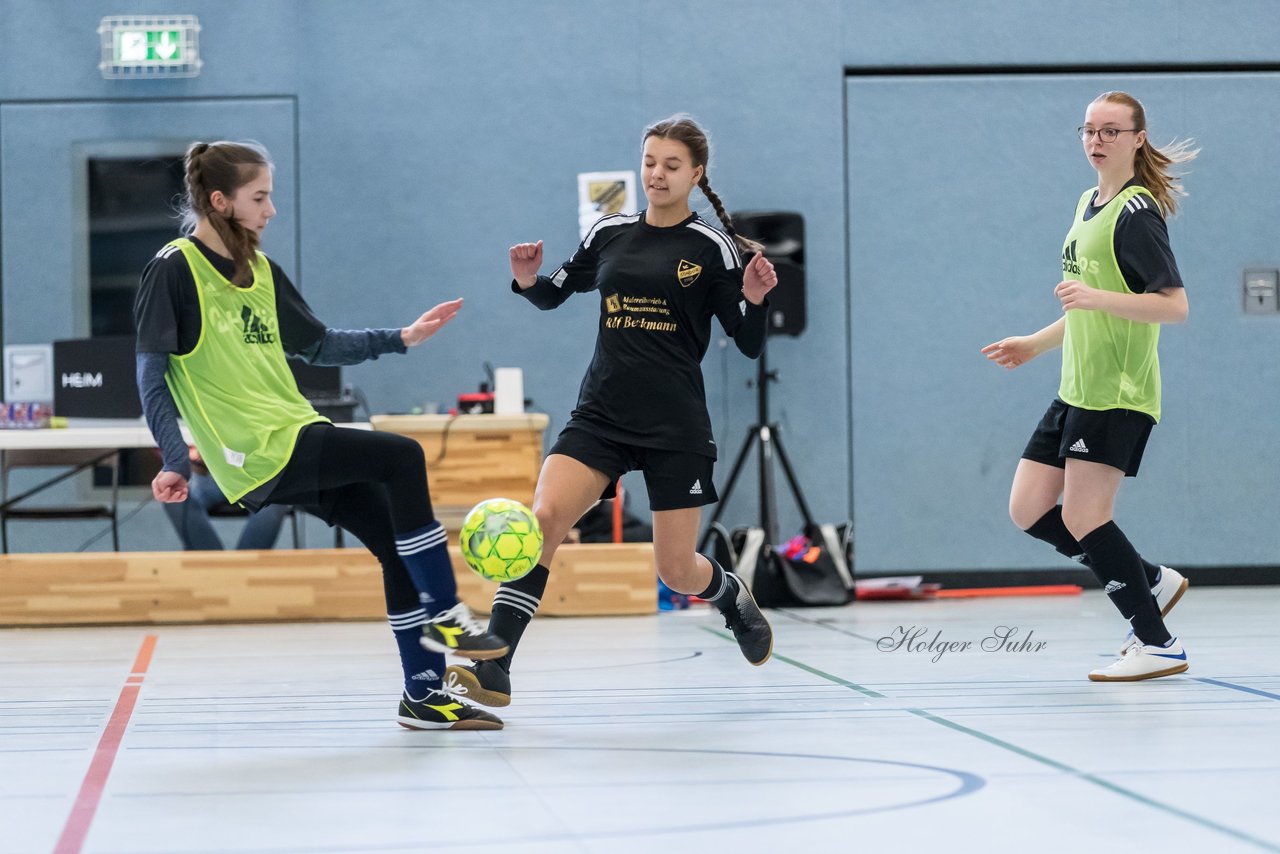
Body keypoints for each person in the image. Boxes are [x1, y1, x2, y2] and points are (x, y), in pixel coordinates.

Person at [134, 140, 508, 729]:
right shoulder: (172, 271)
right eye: (259, 197)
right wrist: (175, 459)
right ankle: (445, 614)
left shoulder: (258, 271)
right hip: (256, 449)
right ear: (219, 201)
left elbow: (319, 343)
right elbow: (151, 378)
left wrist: (401, 337)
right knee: (402, 458)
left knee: (392, 541)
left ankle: (423, 697)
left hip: (292, 432)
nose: (271, 210)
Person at [447, 114, 780, 708]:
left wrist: (753, 300)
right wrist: (526, 281)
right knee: (544, 519)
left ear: (696, 174)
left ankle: (730, 595)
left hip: (674, 424)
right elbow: (556, 290)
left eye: (672, 165)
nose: (657, 174)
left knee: (676, 571)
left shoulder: (713, 248)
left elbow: (748, 341)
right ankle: (497, 662)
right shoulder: (609, 231)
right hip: (600, 414)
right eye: (650, 161)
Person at [981, 92, 1196, 682]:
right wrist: (1033, 343)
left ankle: (1158, 642)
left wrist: (1097, 298)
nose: (1096, 140)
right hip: (1076, 386)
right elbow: (1084, 307)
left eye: (1111, 130)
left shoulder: (1137, 212)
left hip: (1118, 392)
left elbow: (1173, 307)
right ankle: (1149, 577)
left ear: (1137, 139)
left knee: (1085, 517)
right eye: (1089, 130)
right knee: (1028, 509)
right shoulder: (1088, 202)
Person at [162, 445, 291, 550]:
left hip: (253, 479)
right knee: (173, 494)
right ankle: (221, 567)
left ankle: (235, 568)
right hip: (206, 478)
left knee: (277, 497)